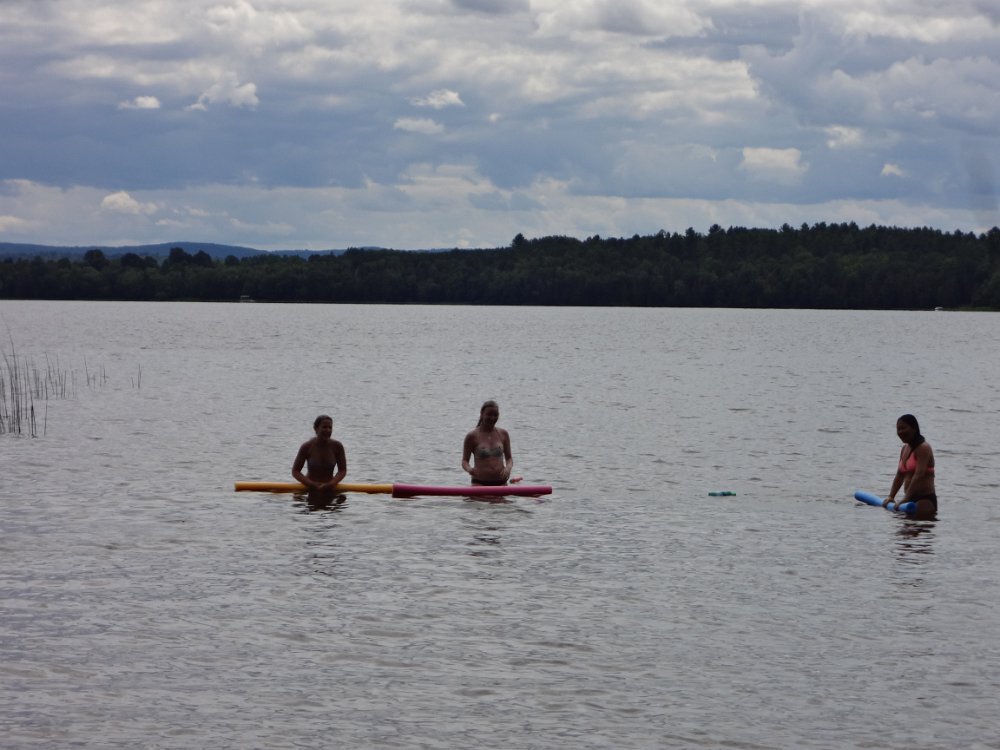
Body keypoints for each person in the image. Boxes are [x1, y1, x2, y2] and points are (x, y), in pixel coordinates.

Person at [884, 414, 936, 517]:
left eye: (903, 428)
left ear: (914, 428)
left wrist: (906, 498)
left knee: (915, 525)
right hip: (908, 500)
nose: (900, 432)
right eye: (898, 429)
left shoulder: (924, 448)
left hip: (925, 500)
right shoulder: (904, 449)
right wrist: (891, 497)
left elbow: (919, 474)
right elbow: (899, 475)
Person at [292, 415, 347, 496]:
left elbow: (342, 470)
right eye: (324, 427)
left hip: (330, 489)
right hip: (309, 489)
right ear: (316, 429)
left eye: (330, 428)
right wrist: (311, 484)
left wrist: (332, 483)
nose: (328, 430)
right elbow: (295, 471)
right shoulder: (307, 447)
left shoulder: (337, 446)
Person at [462, 400, 513, 486]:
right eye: (489, 415)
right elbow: (464, 461)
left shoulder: (503, 434)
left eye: (495, 415)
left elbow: (509, 459)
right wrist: (469, 469)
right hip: (479, 483)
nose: (492, 418)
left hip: (501, 483)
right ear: (482, 414)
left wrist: (508, 468)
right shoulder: (471, 436)